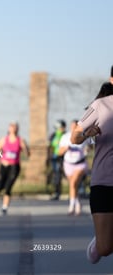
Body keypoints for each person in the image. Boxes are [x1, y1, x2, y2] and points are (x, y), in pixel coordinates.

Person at [71, 82, 113, 264]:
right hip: (104, 181)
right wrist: (88, 134)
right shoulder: (101, 105)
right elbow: (75, 136)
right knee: (105, 248)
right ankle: (100, 242)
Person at [0, 121, 30, 215]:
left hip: (14, 166)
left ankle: (4, 207)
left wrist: (25, 148)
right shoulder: (3, 140)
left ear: (17, 129)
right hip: (4, 165)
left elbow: (27, 154)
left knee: (8, 187)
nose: (13, 128)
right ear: (9, 128)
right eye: (11, 126)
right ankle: (1, 190)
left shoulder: (20, 140)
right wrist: (1, 159)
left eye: (15, 126)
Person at [58, 119, 91, 216]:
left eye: (75, 126)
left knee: (73, 183)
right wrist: (65, 149)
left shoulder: (83, 135)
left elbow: (89, 147)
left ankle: (71, 206)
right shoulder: (65, 137)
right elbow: (59, 152)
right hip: (68, 163)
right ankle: (77, 203)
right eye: (72, 126)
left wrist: (87, 149)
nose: (73, 128)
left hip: (80, 164)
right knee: (73, 185)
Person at [47, 119, 66, 200]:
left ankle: (79, 190)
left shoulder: (65, 135)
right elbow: (50, 147)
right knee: (56, 175)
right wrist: (48, 158)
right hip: (54, 158)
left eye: (61, 127)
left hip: (64, 158)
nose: (60, 129)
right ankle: (56, 192)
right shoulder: (53, 135)